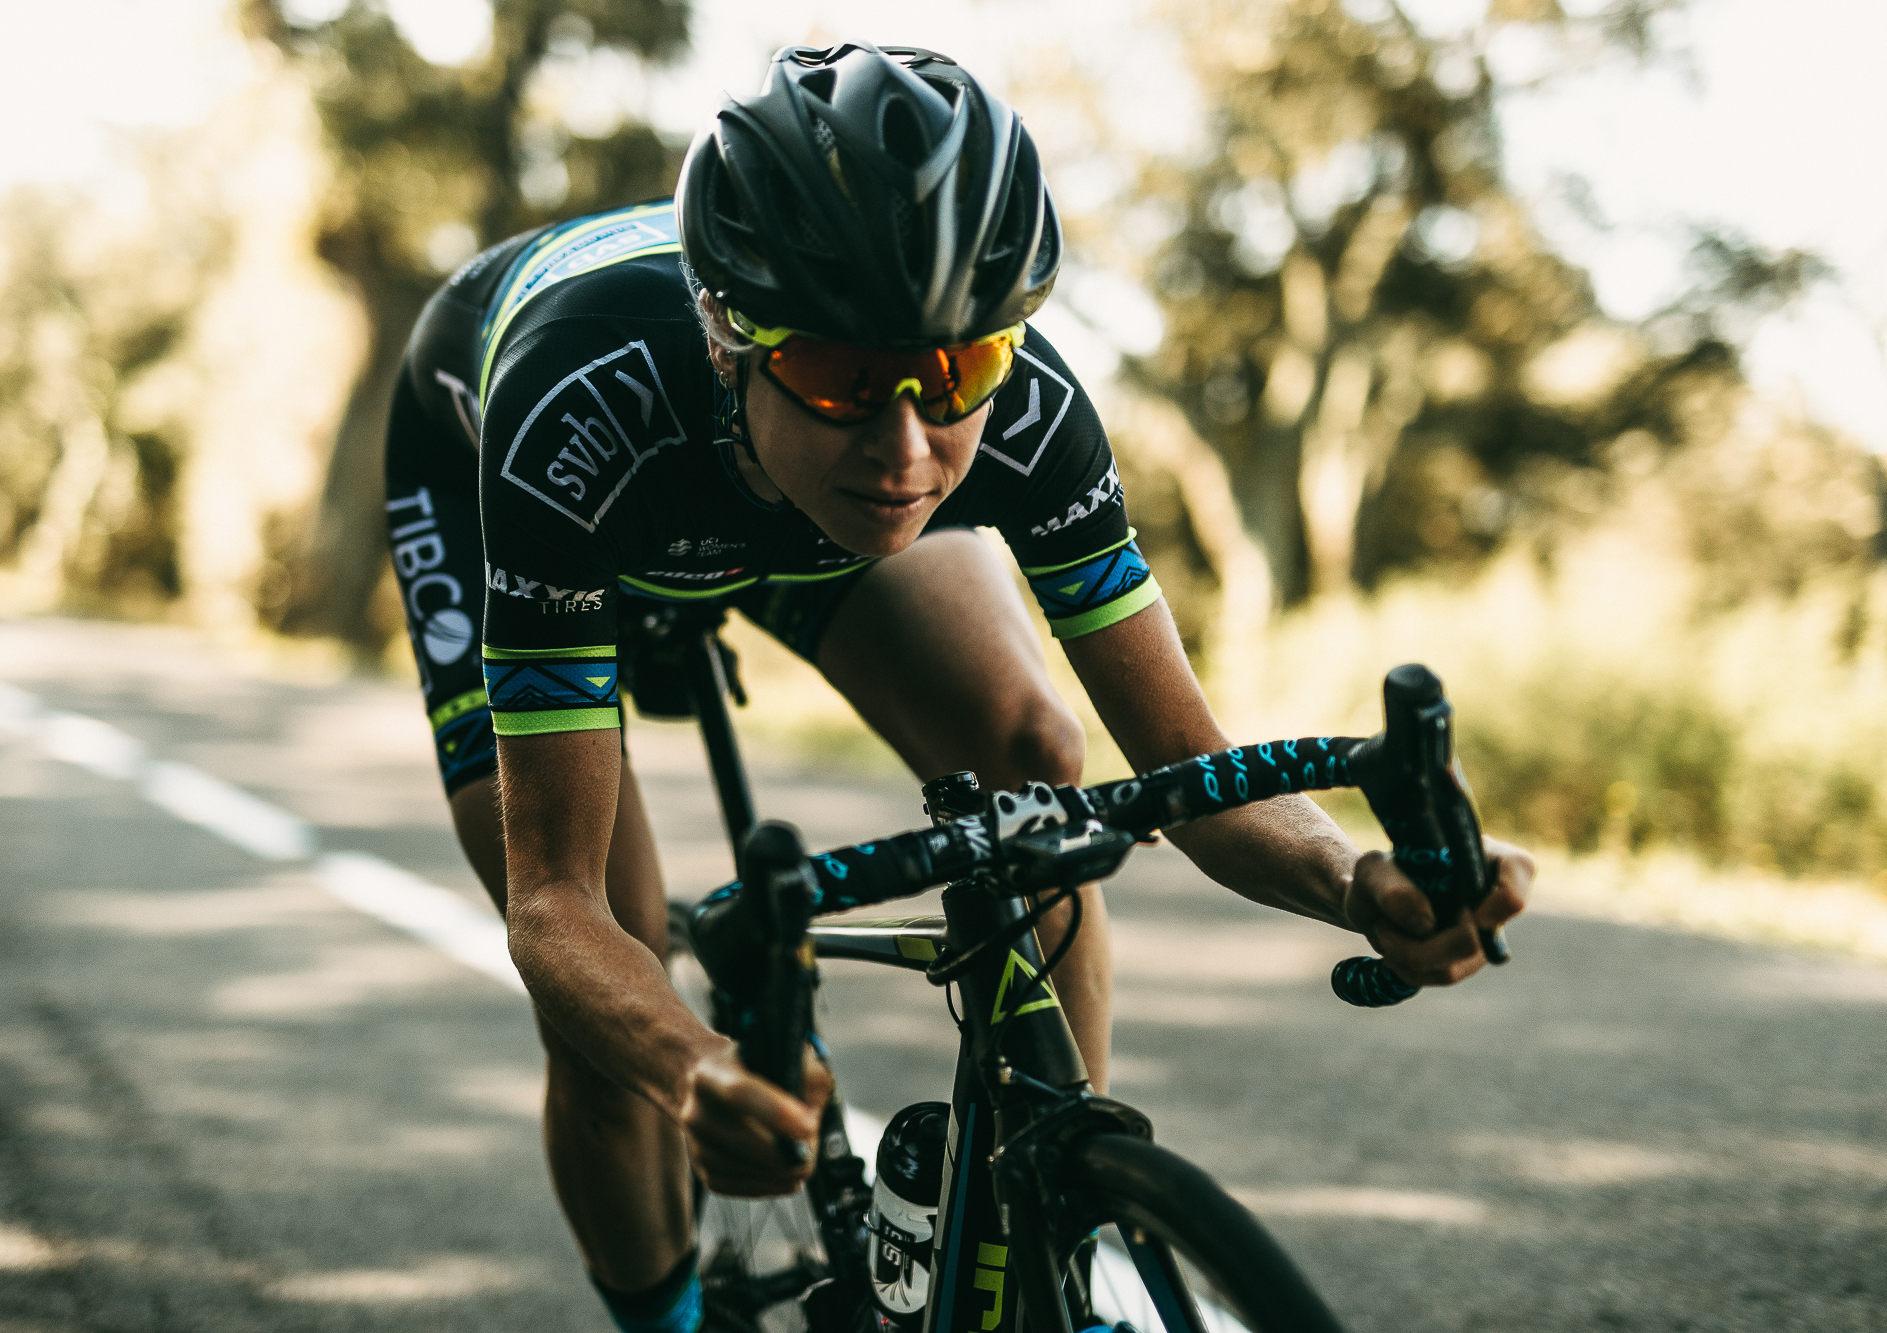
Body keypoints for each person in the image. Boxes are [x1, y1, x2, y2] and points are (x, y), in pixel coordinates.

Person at [382, 40, 1533, 1333]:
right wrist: (691, 1065)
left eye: (956, 375)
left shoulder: (1027, 413)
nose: (906, 449)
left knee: (1036, 757)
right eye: (840, 377)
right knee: (616, 967)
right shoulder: (575, 406)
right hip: (543, 482)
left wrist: (1353, 880)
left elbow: (1187, 768)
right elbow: (554, 902)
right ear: (727, 335)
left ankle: (1041, 1210)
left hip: (789, 500)